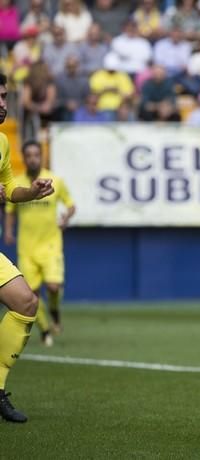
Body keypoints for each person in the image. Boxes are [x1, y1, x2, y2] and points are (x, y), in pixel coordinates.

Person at [0, 72, 55, 422]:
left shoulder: (3, 142)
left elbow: (6, 190)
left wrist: (30, 192)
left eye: (5, 97)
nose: (4, 105)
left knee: (26, 301)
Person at [4, 140, 75, 344]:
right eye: (29, 155)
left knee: (53, 287)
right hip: (26, 248)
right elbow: (10, 211)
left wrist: (66, 218)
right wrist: (8, 231)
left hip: (51, 245)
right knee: (31, 295)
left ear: (42, 156)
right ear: (24, 158)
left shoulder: (55, 180)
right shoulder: (17, 183)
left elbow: (71, 205)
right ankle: (45, 330)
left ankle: (54, 309)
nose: (33, 158)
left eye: (36, 154)